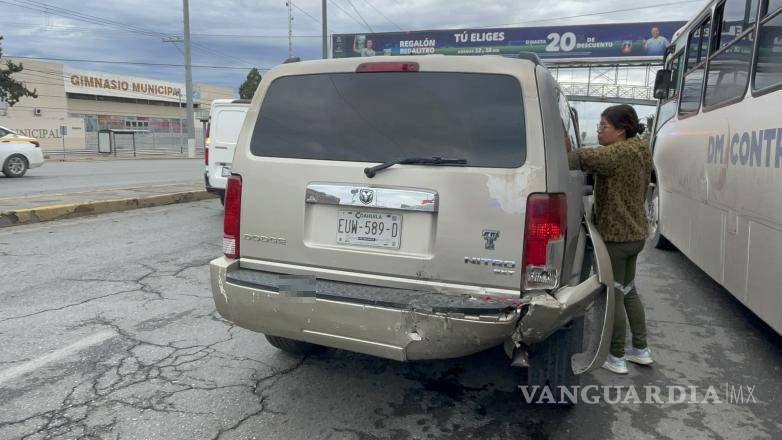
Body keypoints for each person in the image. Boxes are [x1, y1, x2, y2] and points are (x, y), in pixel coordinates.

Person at [567, 104, 654, 375]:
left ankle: (615, 356)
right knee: (628, 290)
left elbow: (581, 157)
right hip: (636, 233)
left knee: (613, 294)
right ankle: (640, 350)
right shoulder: (641, 149)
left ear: (620, 130)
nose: (599, 130)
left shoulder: (617, 153)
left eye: (603, 126)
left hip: (616, 236)